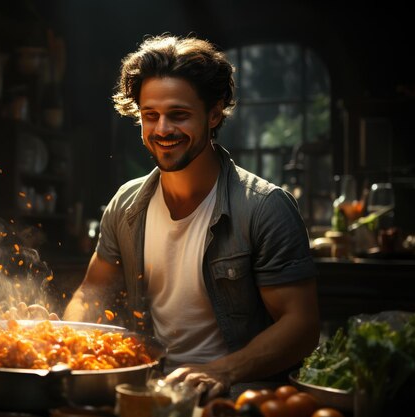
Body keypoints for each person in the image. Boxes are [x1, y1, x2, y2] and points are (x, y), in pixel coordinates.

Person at [62, 34, 320, 400]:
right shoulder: (126, 205)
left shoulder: (265, 207)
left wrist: (221, 371)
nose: (163, 129)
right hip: (145, 391)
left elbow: (302, 326)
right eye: (150, 116)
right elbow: (93, 291)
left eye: (178, 115)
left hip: (238, 396)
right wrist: (67, 336)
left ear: (214, 113)